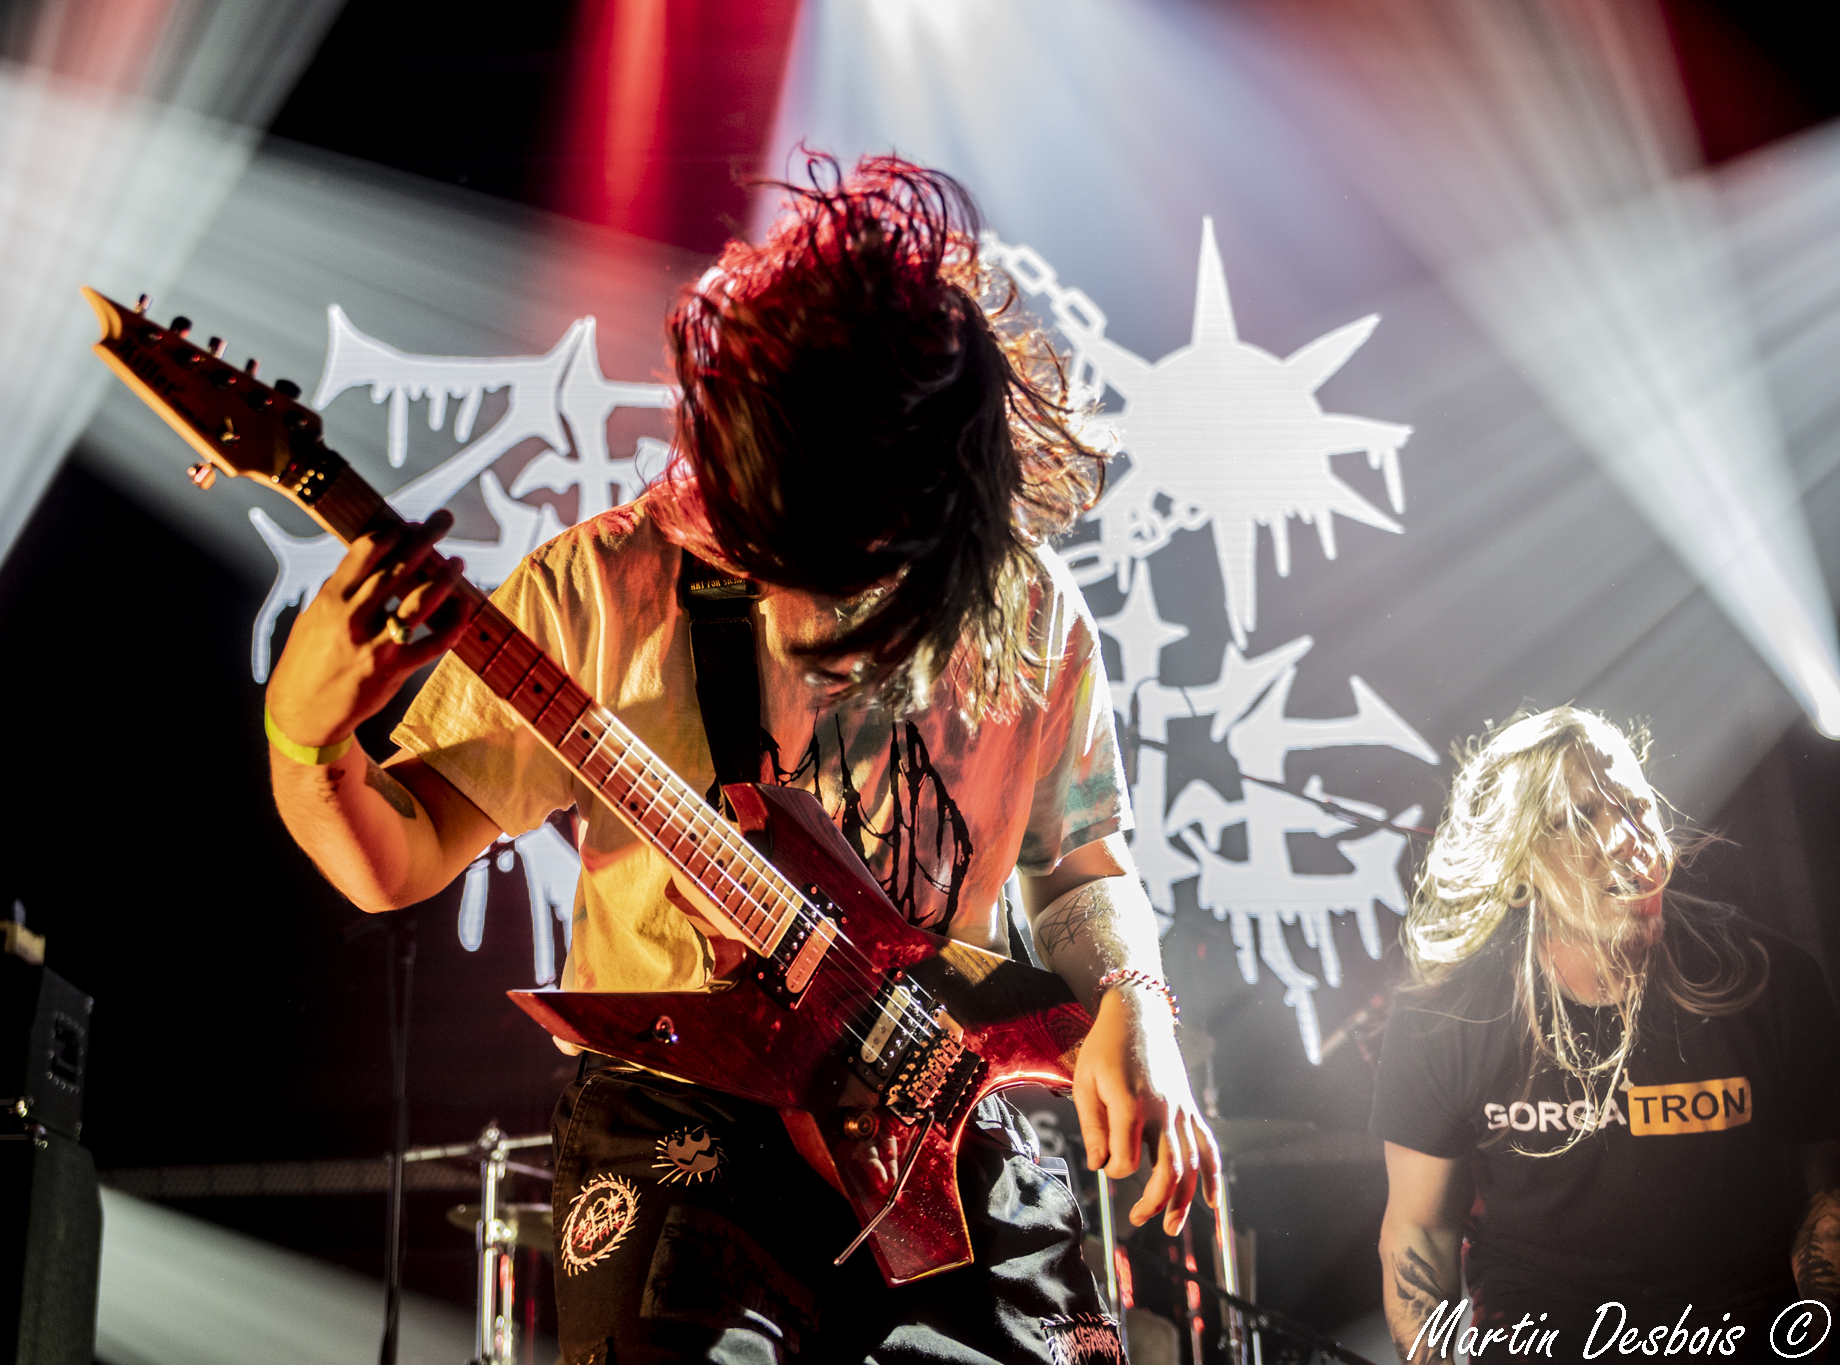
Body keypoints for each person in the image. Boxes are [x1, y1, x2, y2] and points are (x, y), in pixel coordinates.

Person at [262, 155, 1215, 1364]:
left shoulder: (1026, 610)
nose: (811, 618)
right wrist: (306, 733)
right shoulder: (599, 589)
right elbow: (394, 861)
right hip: (684, 1113)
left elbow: (1078, 866)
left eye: (861, 569)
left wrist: (1136, 1003)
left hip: (939, 1097)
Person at [1373, 706, 1840, 1363]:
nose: (1625, 836)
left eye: (1635, 805)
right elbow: (1420, 1230)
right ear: (1518, 865)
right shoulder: (1447, 1017)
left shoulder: (1771, 981)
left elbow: (1826, 1192)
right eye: (1579, 816)